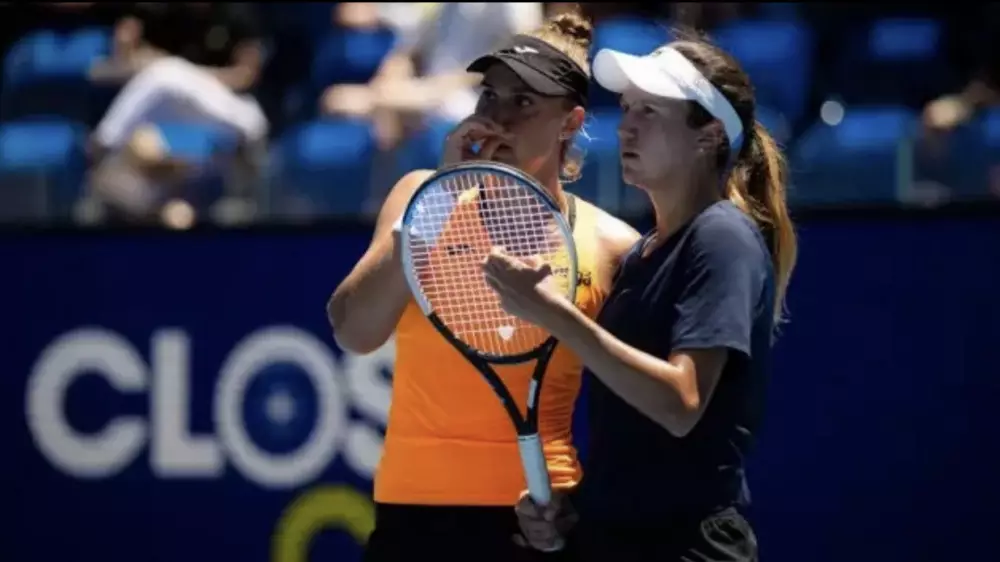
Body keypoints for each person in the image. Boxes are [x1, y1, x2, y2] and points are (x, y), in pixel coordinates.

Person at [327, 9, 640, 562]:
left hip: (536, 525)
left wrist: (579, 507)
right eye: (489, 96)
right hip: (412, 521)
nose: (497, 117)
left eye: (524, 102)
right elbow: (354, 330)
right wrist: (442, 195)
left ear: (570, 123)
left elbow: (635, 412)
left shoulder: (613, 245)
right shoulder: (420, 197)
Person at [486, 32, 798, 561]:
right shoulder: (642, 255)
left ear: (709, 136)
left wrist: (556, 316)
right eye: (628, 108)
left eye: (649, 111)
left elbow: (680, 405)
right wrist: (578, 508)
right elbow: (638, 443)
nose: (625, 126)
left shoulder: (722, 237)